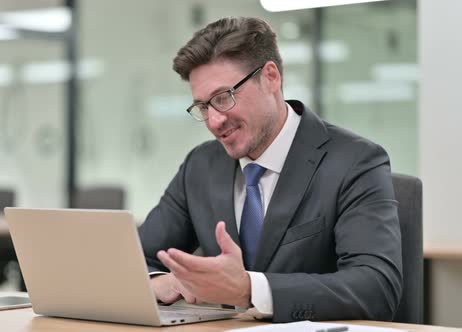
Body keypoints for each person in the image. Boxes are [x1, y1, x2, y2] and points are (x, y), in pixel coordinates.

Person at [138, 17, 402, 323]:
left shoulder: (355, 161)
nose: (214, 121)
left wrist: (252, 290)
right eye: (203, 106)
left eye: (224, 98)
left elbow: (376, 287)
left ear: (271, 77)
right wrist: (158, 280)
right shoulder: (200, 166)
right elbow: (137, 258)